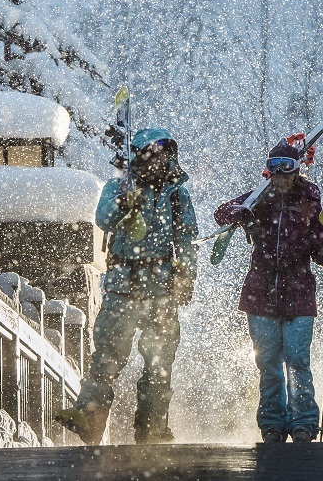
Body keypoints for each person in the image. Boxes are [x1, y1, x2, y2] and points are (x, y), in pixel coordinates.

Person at [55, 127, 197, 445]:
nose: (158, 162)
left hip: (161, 289)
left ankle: (153, 427)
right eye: (152, 155)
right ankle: (89, 418)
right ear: (139, 156)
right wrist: (124, 203)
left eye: (164, 155)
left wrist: (186, 277)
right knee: (106, 357)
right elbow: (104, 219)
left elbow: (186, 240)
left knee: (159, 362)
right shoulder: (118, 187)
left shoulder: (177, 194)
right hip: (122, 285)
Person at [213, 139, 323, 444]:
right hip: (261, 290)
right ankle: (271, 423)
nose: (281, 177)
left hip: (298, 290)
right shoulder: (260, 197)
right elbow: (221, 213)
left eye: (288, 169)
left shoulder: (309, 198)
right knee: (267, 363)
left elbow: (319, 242)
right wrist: (241, 212)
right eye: (275, 169)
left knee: (297, 360)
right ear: (268, 171)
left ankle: (304, 423)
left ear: (297, 171)